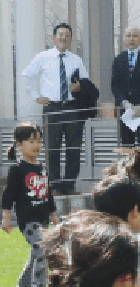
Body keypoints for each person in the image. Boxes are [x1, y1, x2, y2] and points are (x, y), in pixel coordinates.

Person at [22, 23, 89, 195]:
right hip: (52, 108)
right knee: (53, 148)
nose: (63, 38)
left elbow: (86, 83)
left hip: (72, 108)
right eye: (60, 34)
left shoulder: (76, 59)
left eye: (67, 35)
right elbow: (27, 75)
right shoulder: (43, 57)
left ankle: (69, 185)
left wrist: (79, 87)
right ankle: (54, 186)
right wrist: (36, 96)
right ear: (53, 38)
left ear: (71, 39)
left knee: (73, 149)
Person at [2, 122, 60, 287]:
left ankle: (23, 286)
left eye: (39, 141)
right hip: (28, 220)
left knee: (38, 252)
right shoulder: (17, 169)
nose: (37, 145)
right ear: (19, 144)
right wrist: (6, 217)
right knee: (41, 249)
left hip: (42, 218)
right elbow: (8, 194)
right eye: (31, 141)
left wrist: (53, 214)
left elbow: (47, 193)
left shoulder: (41, 168)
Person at [111, 27, 140, 165]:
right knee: (126, 146)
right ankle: (128, 178)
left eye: (135, 36)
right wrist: (125, 103)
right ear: (124, 38)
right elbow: (115, 85)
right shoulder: (118, 59)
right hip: (125, 109)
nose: (131, 39)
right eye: (128, 36)